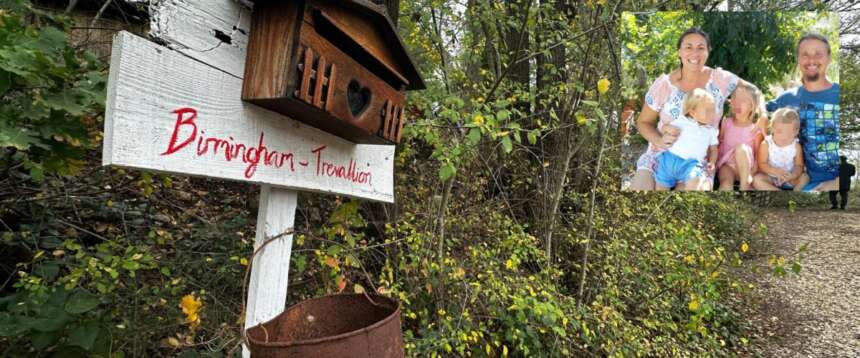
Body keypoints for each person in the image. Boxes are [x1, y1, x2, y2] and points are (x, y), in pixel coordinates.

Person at [630, 28, 741, 190]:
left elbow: (751, 92)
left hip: (696, 163)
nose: (695, 53)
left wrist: (749, 110)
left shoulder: (720, 79)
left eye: (701, 48)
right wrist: (660, 139)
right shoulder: (664, 85)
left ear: (708, 52)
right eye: (688, 47)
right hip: (660, 155)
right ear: (679, 52)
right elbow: (643, 122)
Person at [766, 33, 840, 191]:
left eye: (818, 54)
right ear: (798, 59)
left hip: (833, 182)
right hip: (796, 180)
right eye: (805, 54)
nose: (811, 60)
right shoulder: (787, 99)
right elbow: (755, 109)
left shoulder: (839, 95)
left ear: (829, 58)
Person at [654, 89, 719, 191]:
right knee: (660, 187)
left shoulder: (711, 131)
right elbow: (663, 128)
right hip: (669, 160)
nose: (712, 113)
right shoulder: (682, 121)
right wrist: (667, 128)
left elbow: (714, 149)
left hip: (691, 165)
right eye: (708, 110)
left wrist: (712, 162)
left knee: (695, 180)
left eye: (713, 109)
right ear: (692, 112)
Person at [716, 80, 767, 191]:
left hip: (746, 167)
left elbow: (759, 154)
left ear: (752, 106)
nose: (737, 103)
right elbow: (719, 143)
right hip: (727, 165)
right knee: (725, 184)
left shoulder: (755, 128)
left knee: (741, 148)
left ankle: (744, 186)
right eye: (734, 98)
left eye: (743, 100)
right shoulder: (726, 122)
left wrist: (754, 171)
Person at [752, 108, 809, 190]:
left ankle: (796, 190)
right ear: (772, 129)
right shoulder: (767, 144)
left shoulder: (796, 146)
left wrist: (793, 175)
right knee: (757, 180)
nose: (784, 137)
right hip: (771, 178)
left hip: (790, 179)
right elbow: (762, 164)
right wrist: (775, 171)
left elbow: (799, 165)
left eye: (789, 134)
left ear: (796, 132)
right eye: (779, 131)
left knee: (805, 177)